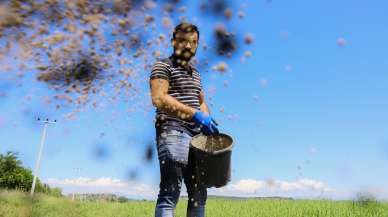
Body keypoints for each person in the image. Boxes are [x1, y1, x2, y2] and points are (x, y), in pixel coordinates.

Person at [149, 22, 219, 217]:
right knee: (170, 191)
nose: (188, 46)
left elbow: (201, 102)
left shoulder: (196, 74)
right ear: (173, 42)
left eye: (193, 42)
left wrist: (206, 116)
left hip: (196, 136)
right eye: (183, 41)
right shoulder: (163, 65)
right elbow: (159, 98)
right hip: (172, 128)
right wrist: (194, 114)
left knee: (199, 192)